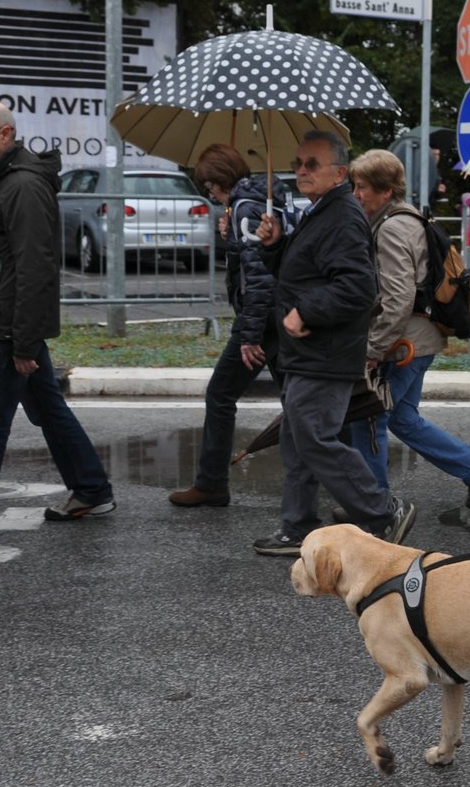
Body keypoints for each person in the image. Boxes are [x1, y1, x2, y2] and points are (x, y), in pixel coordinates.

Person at [0, 101, 116, 537]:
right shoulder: (3, 180)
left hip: (10, 326)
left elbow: (34, 268)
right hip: (7, 321)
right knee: (48, 410)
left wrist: (22, 340)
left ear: (5, 135)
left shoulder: (21, 186)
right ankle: (92, 490)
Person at [252, 131, 416, 556]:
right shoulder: (321, 210)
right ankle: (299, 527)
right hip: (306, 353)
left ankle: (382, 511)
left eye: (312, 163)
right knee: (298, 441)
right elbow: (308, 269)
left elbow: (357, 287)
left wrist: (306, 311)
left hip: (325, 353)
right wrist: (275, 247)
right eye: (299, 161)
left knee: (314, 438)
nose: (301, 170)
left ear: (340, 172)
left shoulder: (341, 214)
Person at [346, 148, 470, 507]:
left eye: (363, 187)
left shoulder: (390, 229)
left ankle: (375, 507)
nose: (356, 195)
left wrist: (372, 349)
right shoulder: (412, 217)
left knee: (367, 419)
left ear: (386, 191)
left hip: (403, 344)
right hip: (424, 337)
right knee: (402, 418)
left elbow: (397, 298)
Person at [168, 146, 289, 508]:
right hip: (276, 316)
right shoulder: (261, 203)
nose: (210, 195)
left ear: (218, 181)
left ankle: (212, 483)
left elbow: (259, 277)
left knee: (220, 394)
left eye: (210, 188)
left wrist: (249, 335)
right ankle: (344, 486)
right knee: (298, 404)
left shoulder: (243, 208)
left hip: (260, 319)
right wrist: (231, 238)